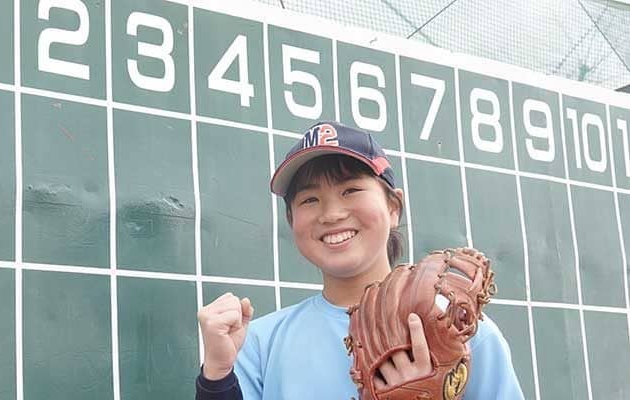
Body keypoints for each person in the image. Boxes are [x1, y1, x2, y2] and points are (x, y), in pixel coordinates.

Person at [194, 121, 524, 399]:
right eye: (310, 199)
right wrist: (217, 380)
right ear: (292, 221)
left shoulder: (458, 327)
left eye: (350, 190)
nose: (331, 213)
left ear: (393, 207)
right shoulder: (259, 343)